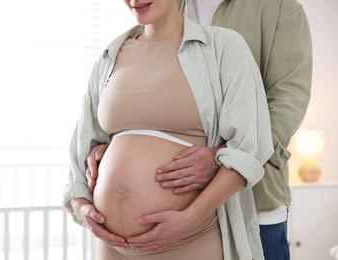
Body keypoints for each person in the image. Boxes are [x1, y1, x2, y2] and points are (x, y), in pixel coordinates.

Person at [86, 0, 312, 260]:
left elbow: (287, 103)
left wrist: (221, 156)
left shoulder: (278, 9)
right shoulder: (157, 15)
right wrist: (119, 143)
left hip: (252, 201)